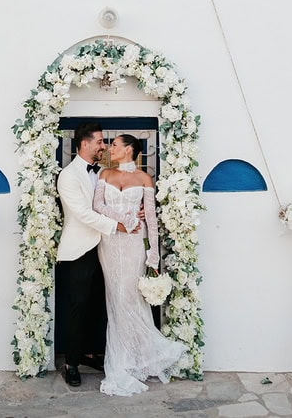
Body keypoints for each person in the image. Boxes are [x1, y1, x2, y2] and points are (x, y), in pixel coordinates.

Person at [92, 134, 186, 396]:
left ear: (129, 149)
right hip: (110, 242)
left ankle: (139, 356)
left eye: (115, 145)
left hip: (135, 243)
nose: (111, 148)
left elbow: (152, 221)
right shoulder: (105, 175)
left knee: (130, 296)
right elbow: (97, 205)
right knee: (116, 296)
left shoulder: (144, 179)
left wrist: (153, 256)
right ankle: (122, 360)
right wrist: (124, 218)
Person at [56, 122, 137, 388]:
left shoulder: (102, 172)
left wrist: (135, 216)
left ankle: (91, 353)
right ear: (84, 144)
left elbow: (111, 203)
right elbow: (82, 213)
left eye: (104, 142)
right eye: (100, 141)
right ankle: (71, 364)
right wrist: (118, 226)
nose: (103, 146)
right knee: (77, 307)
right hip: (79, 249)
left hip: (105, 248)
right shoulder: (68, 176)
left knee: (97, 305)